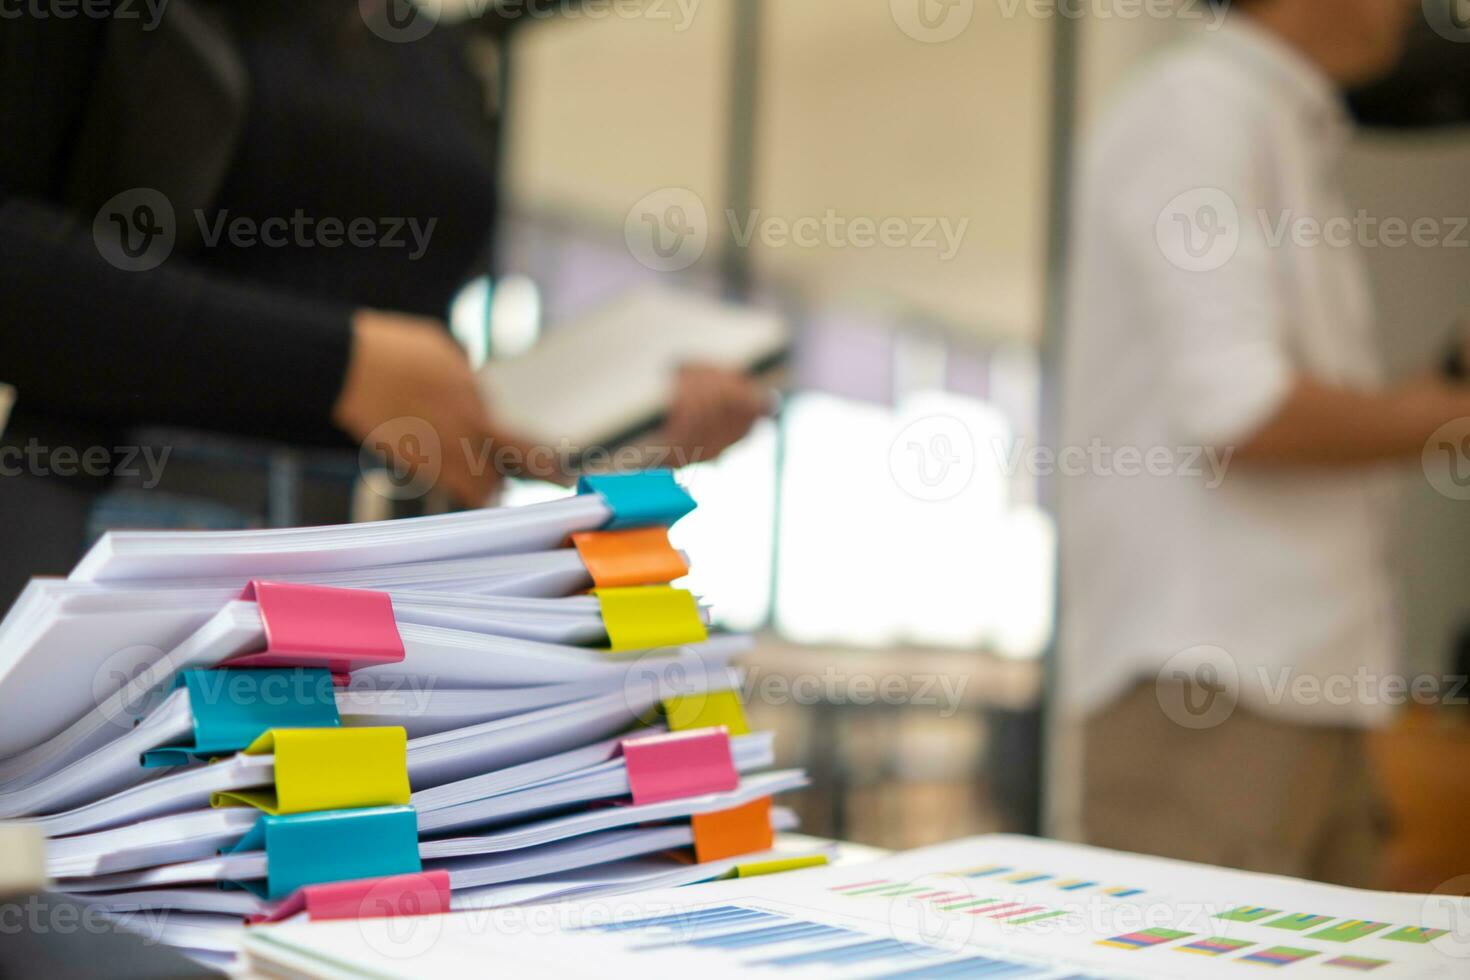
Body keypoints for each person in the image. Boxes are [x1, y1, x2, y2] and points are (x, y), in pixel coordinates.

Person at [0, 0, 765, 608]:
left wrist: (617, 435)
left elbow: (413, 362)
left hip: (405, 571)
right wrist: (339, 366)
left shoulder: (442, 54)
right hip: (145, 546)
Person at [1058, 0, 1461, 885]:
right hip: (1217, 693)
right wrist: (1443, 417)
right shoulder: (1198, 109)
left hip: (1307, 687)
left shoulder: (1271, 122)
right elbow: (1239, 410)